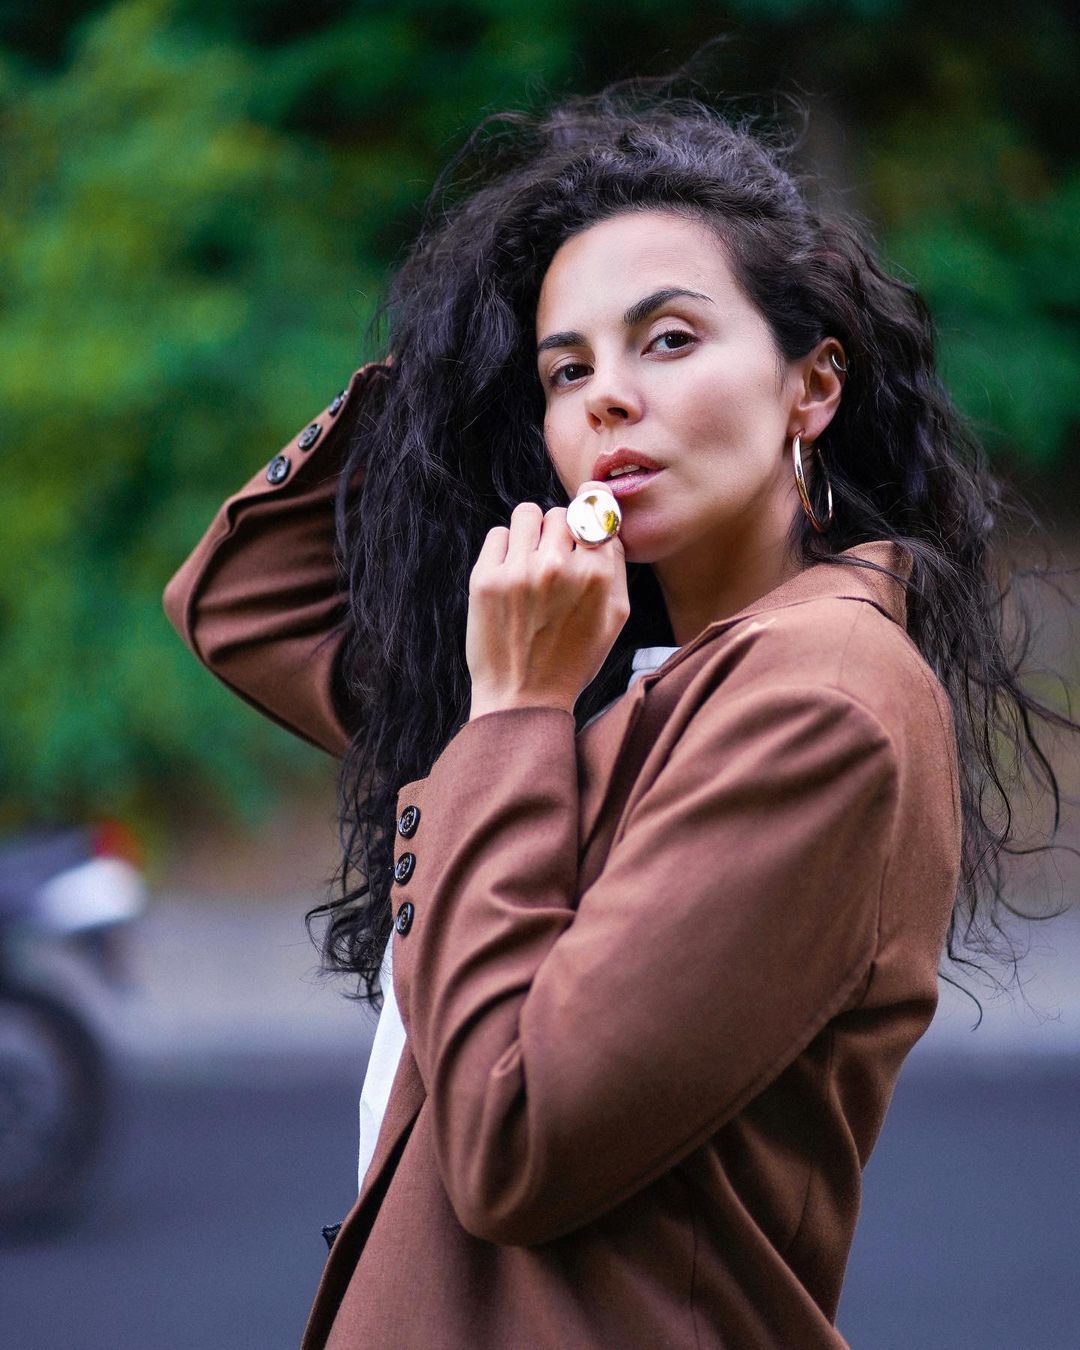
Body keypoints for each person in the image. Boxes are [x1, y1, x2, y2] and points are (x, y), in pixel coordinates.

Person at [163, 76, 1077, 1349]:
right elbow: (244, 605)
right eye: (565, 368)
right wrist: (454, 378)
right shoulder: (610, 670)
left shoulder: (822, 699)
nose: (604, 397)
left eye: (670, 339)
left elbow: (517, 1141)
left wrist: (514, 710)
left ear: (812, 388)